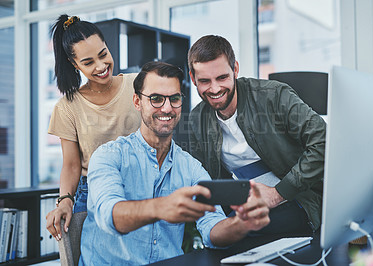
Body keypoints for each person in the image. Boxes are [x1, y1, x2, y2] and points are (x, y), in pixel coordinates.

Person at [79, 61, 270, 265]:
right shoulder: (108, 156)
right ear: (137, 102)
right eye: (156, 99)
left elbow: (212, 229)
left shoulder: (190, 167)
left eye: (174, 98)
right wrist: (160, 207)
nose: (167, 108)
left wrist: (240, 224)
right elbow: (108, 215)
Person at [188, 35, 326, 235]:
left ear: (235, 69)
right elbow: (201, 179)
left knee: (251, 233)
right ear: (193, 79)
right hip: (242, 207)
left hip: (298, 198)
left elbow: (323, 140)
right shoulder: (196, 120)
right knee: (224, 238)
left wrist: (278, 194)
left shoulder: (274, 95)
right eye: (204, 81)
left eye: (222, 77)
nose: (215, 88)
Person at [45, 14, 141, 241]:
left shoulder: (138, 84)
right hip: (93, 194)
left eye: (103, 54)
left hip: (142, 185)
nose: (101, 66)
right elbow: (70, 164)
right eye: (88, 63)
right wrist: (65, 201)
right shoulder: (67, 107)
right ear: (74, 64)